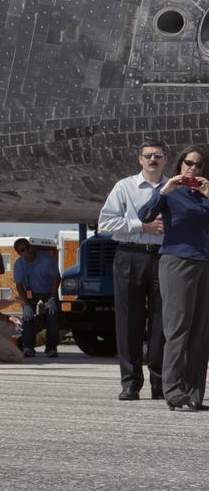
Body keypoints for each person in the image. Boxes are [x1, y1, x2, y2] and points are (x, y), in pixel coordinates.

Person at [138, 145, 209, 411]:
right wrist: (164, 191)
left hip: (205, 264)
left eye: (199, 165)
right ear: (179, 165)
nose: (193, 168)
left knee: (200, 332)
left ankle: (194, 394)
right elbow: (144, 216)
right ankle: (173, 390)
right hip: (177, 262)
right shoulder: (170, 193)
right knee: (178, 329)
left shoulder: (204, 194)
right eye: (189, 163)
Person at [98, 139, 168, 401]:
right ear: (139, 159)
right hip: (130, 254)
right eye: (148, 155)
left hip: (164, 257)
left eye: (158, 156)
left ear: (165, 159)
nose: (153, 160)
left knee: (162, 321)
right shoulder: (124, 187)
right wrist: (142, 226)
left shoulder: (172, 187)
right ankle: (130, 382)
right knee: (129, 321)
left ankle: (159, 383)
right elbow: (105, 222)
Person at [12, 238, 60, 359]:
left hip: (49, 292)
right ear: (19, 253)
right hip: (31, 293)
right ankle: (28, 348)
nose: (27, 251)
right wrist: (25, 304)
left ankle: (51, 348)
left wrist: (53, 298)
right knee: (27, 318)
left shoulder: (47, 260)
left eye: (28, 247)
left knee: (52, 317)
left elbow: (56, 278)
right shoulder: (19, 264)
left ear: (31, 246)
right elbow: (19, 285)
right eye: (23, 250)